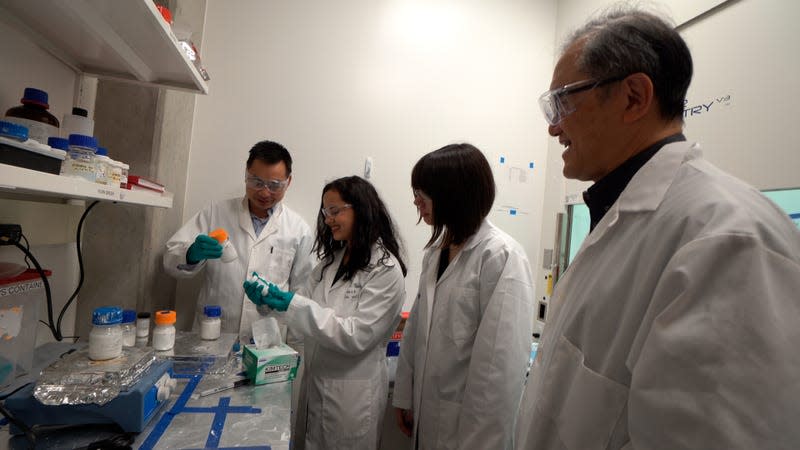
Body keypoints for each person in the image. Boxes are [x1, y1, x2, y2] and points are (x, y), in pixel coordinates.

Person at [515, 7, 800, 450]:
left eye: (564, 101)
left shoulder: (727, 240)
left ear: (633, 97)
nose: (554, 128)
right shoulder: (618, 218)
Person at [244, 175, 407, 450]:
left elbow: (356, 335)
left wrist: (291, 303)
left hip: (351, 395)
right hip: (316, 384)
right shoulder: (328, 264)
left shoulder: (385, 269)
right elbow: (300, 314)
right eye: (325, 212)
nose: (328, 219)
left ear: (361, 209)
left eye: (335, 211)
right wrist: (269, 301)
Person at [392, 143, 535, 450]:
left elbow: (499, 367)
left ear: (453, 193)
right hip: (428, 416)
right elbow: (416, 332)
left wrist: (483, 441)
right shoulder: (436, 253)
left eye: (423, 193)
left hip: (468, 430)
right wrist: (405, 395)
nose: (416, 201)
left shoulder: (500, 256)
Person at [163, 140, 313, 344]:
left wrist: (295, 351)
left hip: (268, 345)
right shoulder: (216, 213)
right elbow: (171, 258)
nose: (264, 192)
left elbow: (301, 294)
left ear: (289, 182)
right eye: (257, 182)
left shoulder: (298, 230)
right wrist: (191, 254)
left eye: (274, 185)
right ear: (246, 175)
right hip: (214, 335)